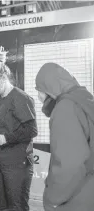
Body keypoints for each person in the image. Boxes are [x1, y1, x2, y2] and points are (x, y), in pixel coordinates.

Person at [0, 52, 38, 211]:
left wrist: (5, 138)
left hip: (17, 163)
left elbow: (31, 130)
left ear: (3, 77)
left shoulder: (20, 98)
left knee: (16, 206)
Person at [35, 62, 94, 211]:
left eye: (39, 90)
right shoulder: (85, 99)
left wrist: (54, 198)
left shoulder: (65, 108)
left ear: (50, 89)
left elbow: (69, 165)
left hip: (75, 198)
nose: (38, 96)